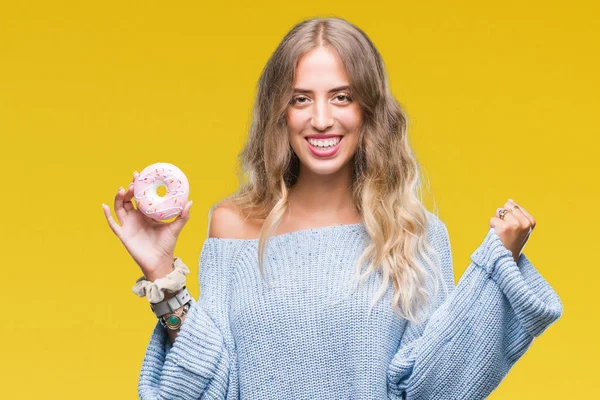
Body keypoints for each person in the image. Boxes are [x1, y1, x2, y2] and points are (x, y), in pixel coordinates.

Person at [102, 17, 563, 400]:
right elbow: (213, 383)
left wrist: (493, 266)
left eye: (341, 97)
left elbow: (433, 388)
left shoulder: (414, 234)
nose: (321, 119)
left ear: (369, 110)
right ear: (279, 113)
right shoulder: (233, 225)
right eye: (301, 99)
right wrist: (162, 275)